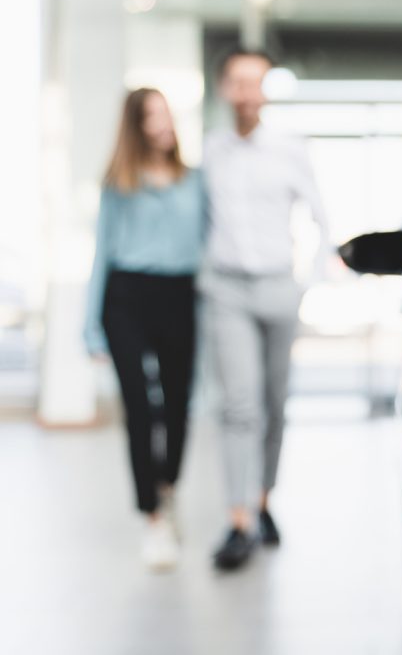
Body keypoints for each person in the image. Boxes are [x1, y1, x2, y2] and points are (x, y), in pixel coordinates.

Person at [201, 48, 331, 571]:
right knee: (239, 407)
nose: (247, 93)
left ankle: (261, 499)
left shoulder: (289, 149)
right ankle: (238, 522)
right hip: (225, 290)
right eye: (238, 82)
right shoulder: (210, 151)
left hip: (279, 289)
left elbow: (323, 220)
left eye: (256, 83)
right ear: (223, 89)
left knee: (275, 404)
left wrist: (307, 286)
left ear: (266, 91)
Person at [84, 88, 204, 571]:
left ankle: (168, 487)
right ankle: (153, 518)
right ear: (135, 124)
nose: (162, 124)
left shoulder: (194, 181)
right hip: (126, 299)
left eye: (165, 114)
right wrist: (91, 328)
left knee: (177, 405)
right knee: (138, 408)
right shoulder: (118, 183)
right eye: (151, 116)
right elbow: (101, 255)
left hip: (178, 296)